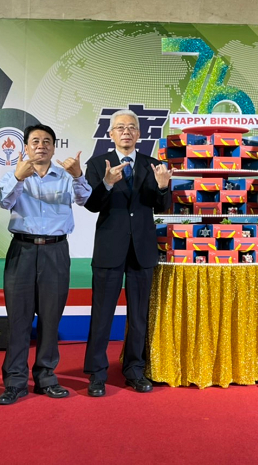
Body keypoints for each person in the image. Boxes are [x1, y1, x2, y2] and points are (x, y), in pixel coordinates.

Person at [0, 124, 91, 405]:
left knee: (51, 318)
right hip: (22, 250)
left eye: (47, 141)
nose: (41, 145)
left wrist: (79, 175)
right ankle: (15, 381)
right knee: (18, 319)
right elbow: (3, 202)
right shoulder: (13, 174)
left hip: (55, 250)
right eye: (35, 141)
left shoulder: (66, 175)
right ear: (25, 147)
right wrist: (18, 178)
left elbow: (84, 199)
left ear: (54, 147)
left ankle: (46, 377)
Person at [83, 109, 171, 397]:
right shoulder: (98, 164)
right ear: (111, 134)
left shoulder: (153, 164)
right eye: (120, 127)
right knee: (102, 313)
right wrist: (107, 183)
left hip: (143, 250)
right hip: (109, 249)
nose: (126, 132)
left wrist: (162, 187)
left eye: (131, 127)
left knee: (139, 315)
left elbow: (163, 206)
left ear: (139, 134)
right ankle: (97, 373)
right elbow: (91, 205)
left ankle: (134, 369)